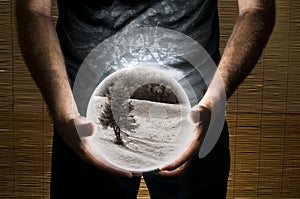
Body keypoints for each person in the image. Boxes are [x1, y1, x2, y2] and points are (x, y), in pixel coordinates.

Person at [16, 0, 275, 198]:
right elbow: (34, 8)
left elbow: (255, 8)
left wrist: (212, 102)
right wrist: (64, 114)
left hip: (195, 120)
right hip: (85, 124)